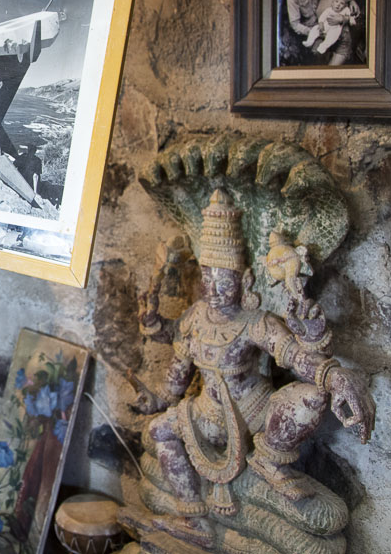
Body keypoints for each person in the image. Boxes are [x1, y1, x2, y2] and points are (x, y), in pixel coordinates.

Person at [133, 190, 373, 548]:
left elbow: (292, 354)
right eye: (207, 277)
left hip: (254, 412)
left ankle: (269, 461)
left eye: (224, 279)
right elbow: (176, 380)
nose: (213, 288)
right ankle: (192, 516)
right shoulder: (196, 319)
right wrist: (154, 400)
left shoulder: (255, 322)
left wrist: (332, 375)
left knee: (309, 399)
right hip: (204, 412)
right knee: (157, 432)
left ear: (244, 280)